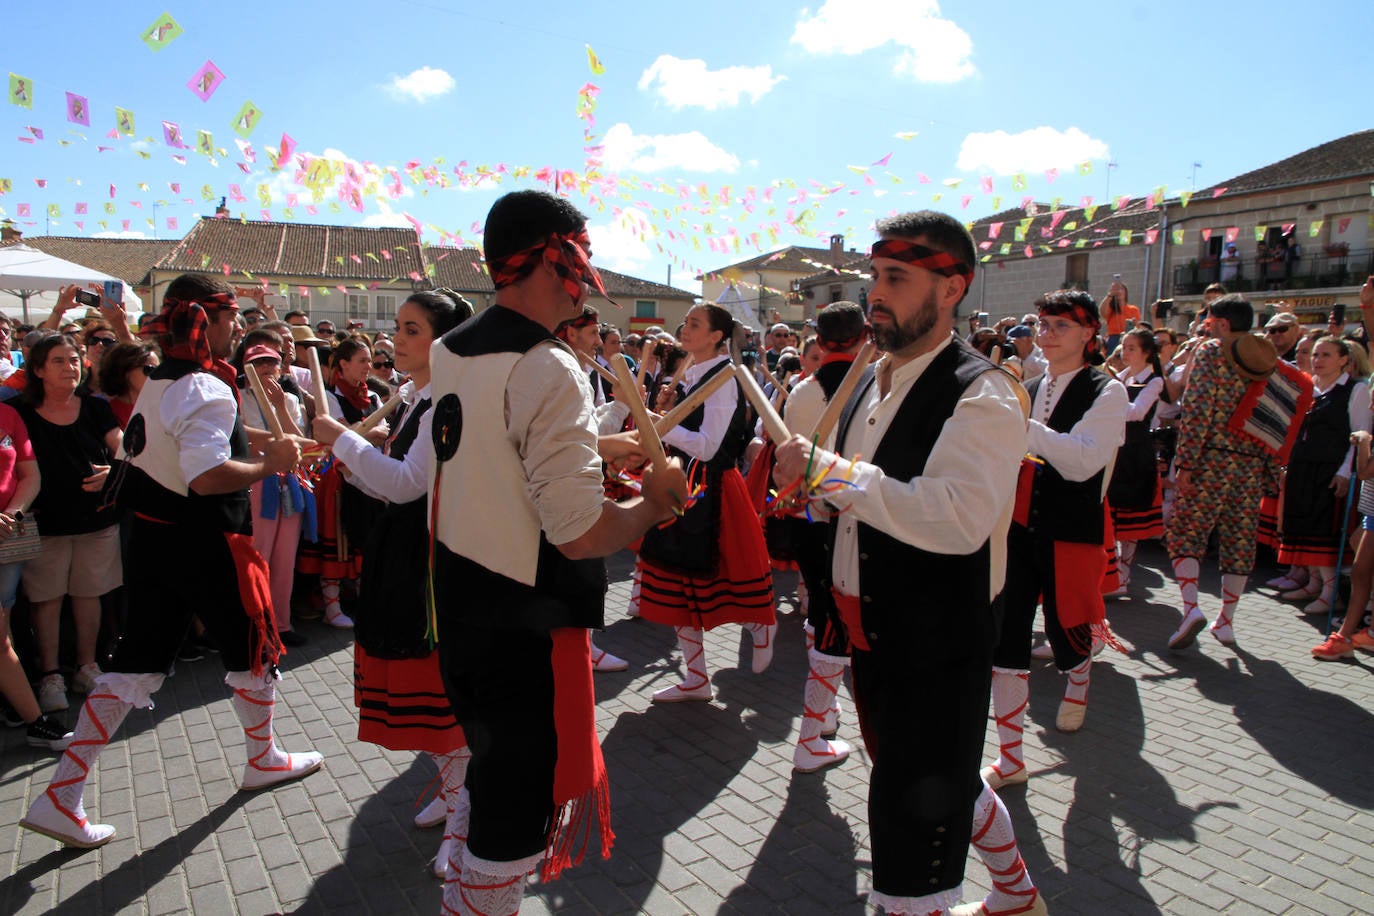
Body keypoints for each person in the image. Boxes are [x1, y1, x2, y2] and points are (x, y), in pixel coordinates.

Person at [773, 211, 1044, 916]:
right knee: (934, 777)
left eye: (896, 278)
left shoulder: (982, 392)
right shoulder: (872, 377)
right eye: (875, 277)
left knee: (910, 834)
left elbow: (957, 517)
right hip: (874, 630)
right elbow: (869, 497)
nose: (877, 295)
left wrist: (828, 475)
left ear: (952, 286)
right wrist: (816, 490)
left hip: (936, 640)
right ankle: (1016, 896)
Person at [428, 190, 686, 914]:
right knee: (514, 816)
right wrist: (654, 502)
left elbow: (488, 454)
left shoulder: (452, 349)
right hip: (524, 621)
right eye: (582, 259)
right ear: (554, 261)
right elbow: (579, 531)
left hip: (460, 599)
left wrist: (594, 446)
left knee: (493, 782)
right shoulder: (550, 367)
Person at [21, 274, 322, 850]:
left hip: (158, 543)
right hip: (209, 545)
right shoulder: (204, 388)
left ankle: (63, 793)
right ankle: (263, 758)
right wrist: (272, 463)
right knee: (254, 644)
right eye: (230, 315)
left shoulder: (164, 379)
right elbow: (205, 476)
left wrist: (260, 441)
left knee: (136, 663)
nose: (238, 325)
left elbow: (182, 439)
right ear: (203, 321)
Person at [312, 289, 474, 879]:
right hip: (400, 557)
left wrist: (343, 440)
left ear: (443, 341)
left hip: (429, 570)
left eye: (411, 329)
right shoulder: (415, 399)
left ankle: (466, 817)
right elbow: (391, 486)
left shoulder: (449, 404)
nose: (396, 340)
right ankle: (456, 793)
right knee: (419, 699)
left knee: (436, 700)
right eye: (399, 328)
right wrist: (349, 459)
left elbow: (409, 484)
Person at [986, 291, 1126, 796]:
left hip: (1072, 525)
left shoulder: (1108, 391)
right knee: (1007, 636)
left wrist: (1019, 427)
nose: (1046, 332)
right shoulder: (1026, 385)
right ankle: (1009, 757)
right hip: (1019, 525)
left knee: (1069, 627)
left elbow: (1082, 461)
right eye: (1043, 323)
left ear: (1090, 333)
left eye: (1061, 325)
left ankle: (1079, 679)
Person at [634, 302, 777, 703]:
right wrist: (664, 414)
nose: (685, 328)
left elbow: (710, 447)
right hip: (685, 488)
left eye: (696, 324)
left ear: (717, 336)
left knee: (722, 574)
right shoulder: (694, 374)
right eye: (686, 322)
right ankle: (697, 678)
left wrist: (659, 426)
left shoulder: (724, 378)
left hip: (711, 489)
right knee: (678, 585)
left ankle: (758, 625)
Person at [1165, 295, 1309, 649]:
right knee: (1239, 543)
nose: (1206, 327)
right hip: (1250, 464)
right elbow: (1277, 417)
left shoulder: (1212, 352)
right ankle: (1226, 622)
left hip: (1209, 460)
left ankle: (1191, 609)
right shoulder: (1268, 359)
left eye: (1210, 321)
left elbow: (1197, 409)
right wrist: (1269, 468)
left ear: (1223, 324)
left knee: (1186, 534)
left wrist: (1185, 460)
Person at [777, 300, 867, 772]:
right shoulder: (875, 388)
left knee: (821, 608)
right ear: (863, 335)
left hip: (811, 518)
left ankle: (826, 712)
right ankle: (811, 736)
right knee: (835, 620)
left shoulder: (801, 391)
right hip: (851, 521)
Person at [17, 334, 123, 713]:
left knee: (89, 594)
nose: (70, 367)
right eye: (59, 361)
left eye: (75, 360)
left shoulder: (95, 408)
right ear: (39, 369)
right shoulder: (21, 411)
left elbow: (123, 446)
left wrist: (115, 469)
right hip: (43, 525)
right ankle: (49, 674)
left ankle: (86, 666)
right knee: (46, 601)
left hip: (96, 520)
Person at [1274, 337, 1370, 615]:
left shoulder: (1355, 390)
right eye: (1316, 354)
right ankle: (1313, 583)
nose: (1318, 360)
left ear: (1344, 360)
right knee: (1304, 525)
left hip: (1329, 470)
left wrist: (1344, 471)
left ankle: (1331, 593)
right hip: (1303, 467)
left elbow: (1359, 434)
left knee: (1324, 528)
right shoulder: (1309, 389)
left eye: (1326, 355)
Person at [0, 399, 73, 750]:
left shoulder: (8, 414)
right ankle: (33, 720)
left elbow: (30, 474)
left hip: (7, 540)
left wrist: (12, 514)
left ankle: (33, 722)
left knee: (1, 639)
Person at [237, 332, 310, 648]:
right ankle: (254, 626)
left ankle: (281, 623)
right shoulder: (237, 397)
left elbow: (302, 443)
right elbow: (241, 439)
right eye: (259, 363)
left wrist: (280, 407)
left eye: (272, 363)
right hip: (257, 483)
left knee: (284, 558)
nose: (267, 369)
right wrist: (274, 442)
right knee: (259, 556)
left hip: (288, 482)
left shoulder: (291, 399)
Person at [1107, 327, 1171, 596]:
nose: (1125, 351)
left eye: (1132, 347)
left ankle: (1124, 574)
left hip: (1135, 453)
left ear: (1146, 353)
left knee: (1130, 515)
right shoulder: (1120, 377)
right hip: (1115, 450)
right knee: (1112, 515)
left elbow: (1137, 412)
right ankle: (1112, 574)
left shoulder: (1154, 381)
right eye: (1124, 346)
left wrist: (1109, 400)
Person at [98, 341, 159, 429]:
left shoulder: (164, 407)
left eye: (158, 370)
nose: (156, 375)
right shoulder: (105, 411)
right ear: (125, 370)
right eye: (150, 369)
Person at [1100, 279, 1139, 353]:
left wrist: (1135, 323)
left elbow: (1138, 326)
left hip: (1128, 337)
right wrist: (1110, 294)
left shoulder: (1133, 309)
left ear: (1126, 292)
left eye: (1121, 289)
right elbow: (1102, 312)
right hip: (1113, 339)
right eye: (1117, 289)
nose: (1119, 291)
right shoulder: (1111, 309)